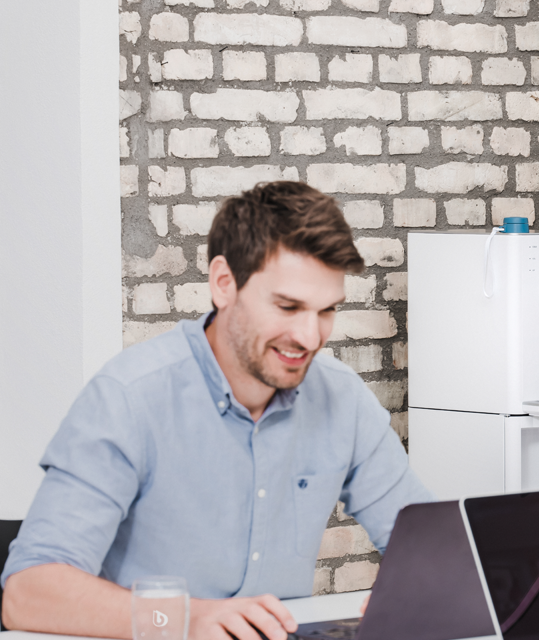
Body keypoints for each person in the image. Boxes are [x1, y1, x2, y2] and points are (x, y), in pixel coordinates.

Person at [1, 182, 432, 640]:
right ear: (224, 283)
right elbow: (29, 593)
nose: (310, 337)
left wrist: (418, 588)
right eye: (287, 306)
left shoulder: (342, 399)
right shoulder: (128, 398)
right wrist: (185, 619)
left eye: (326, 310)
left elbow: (431, 548)